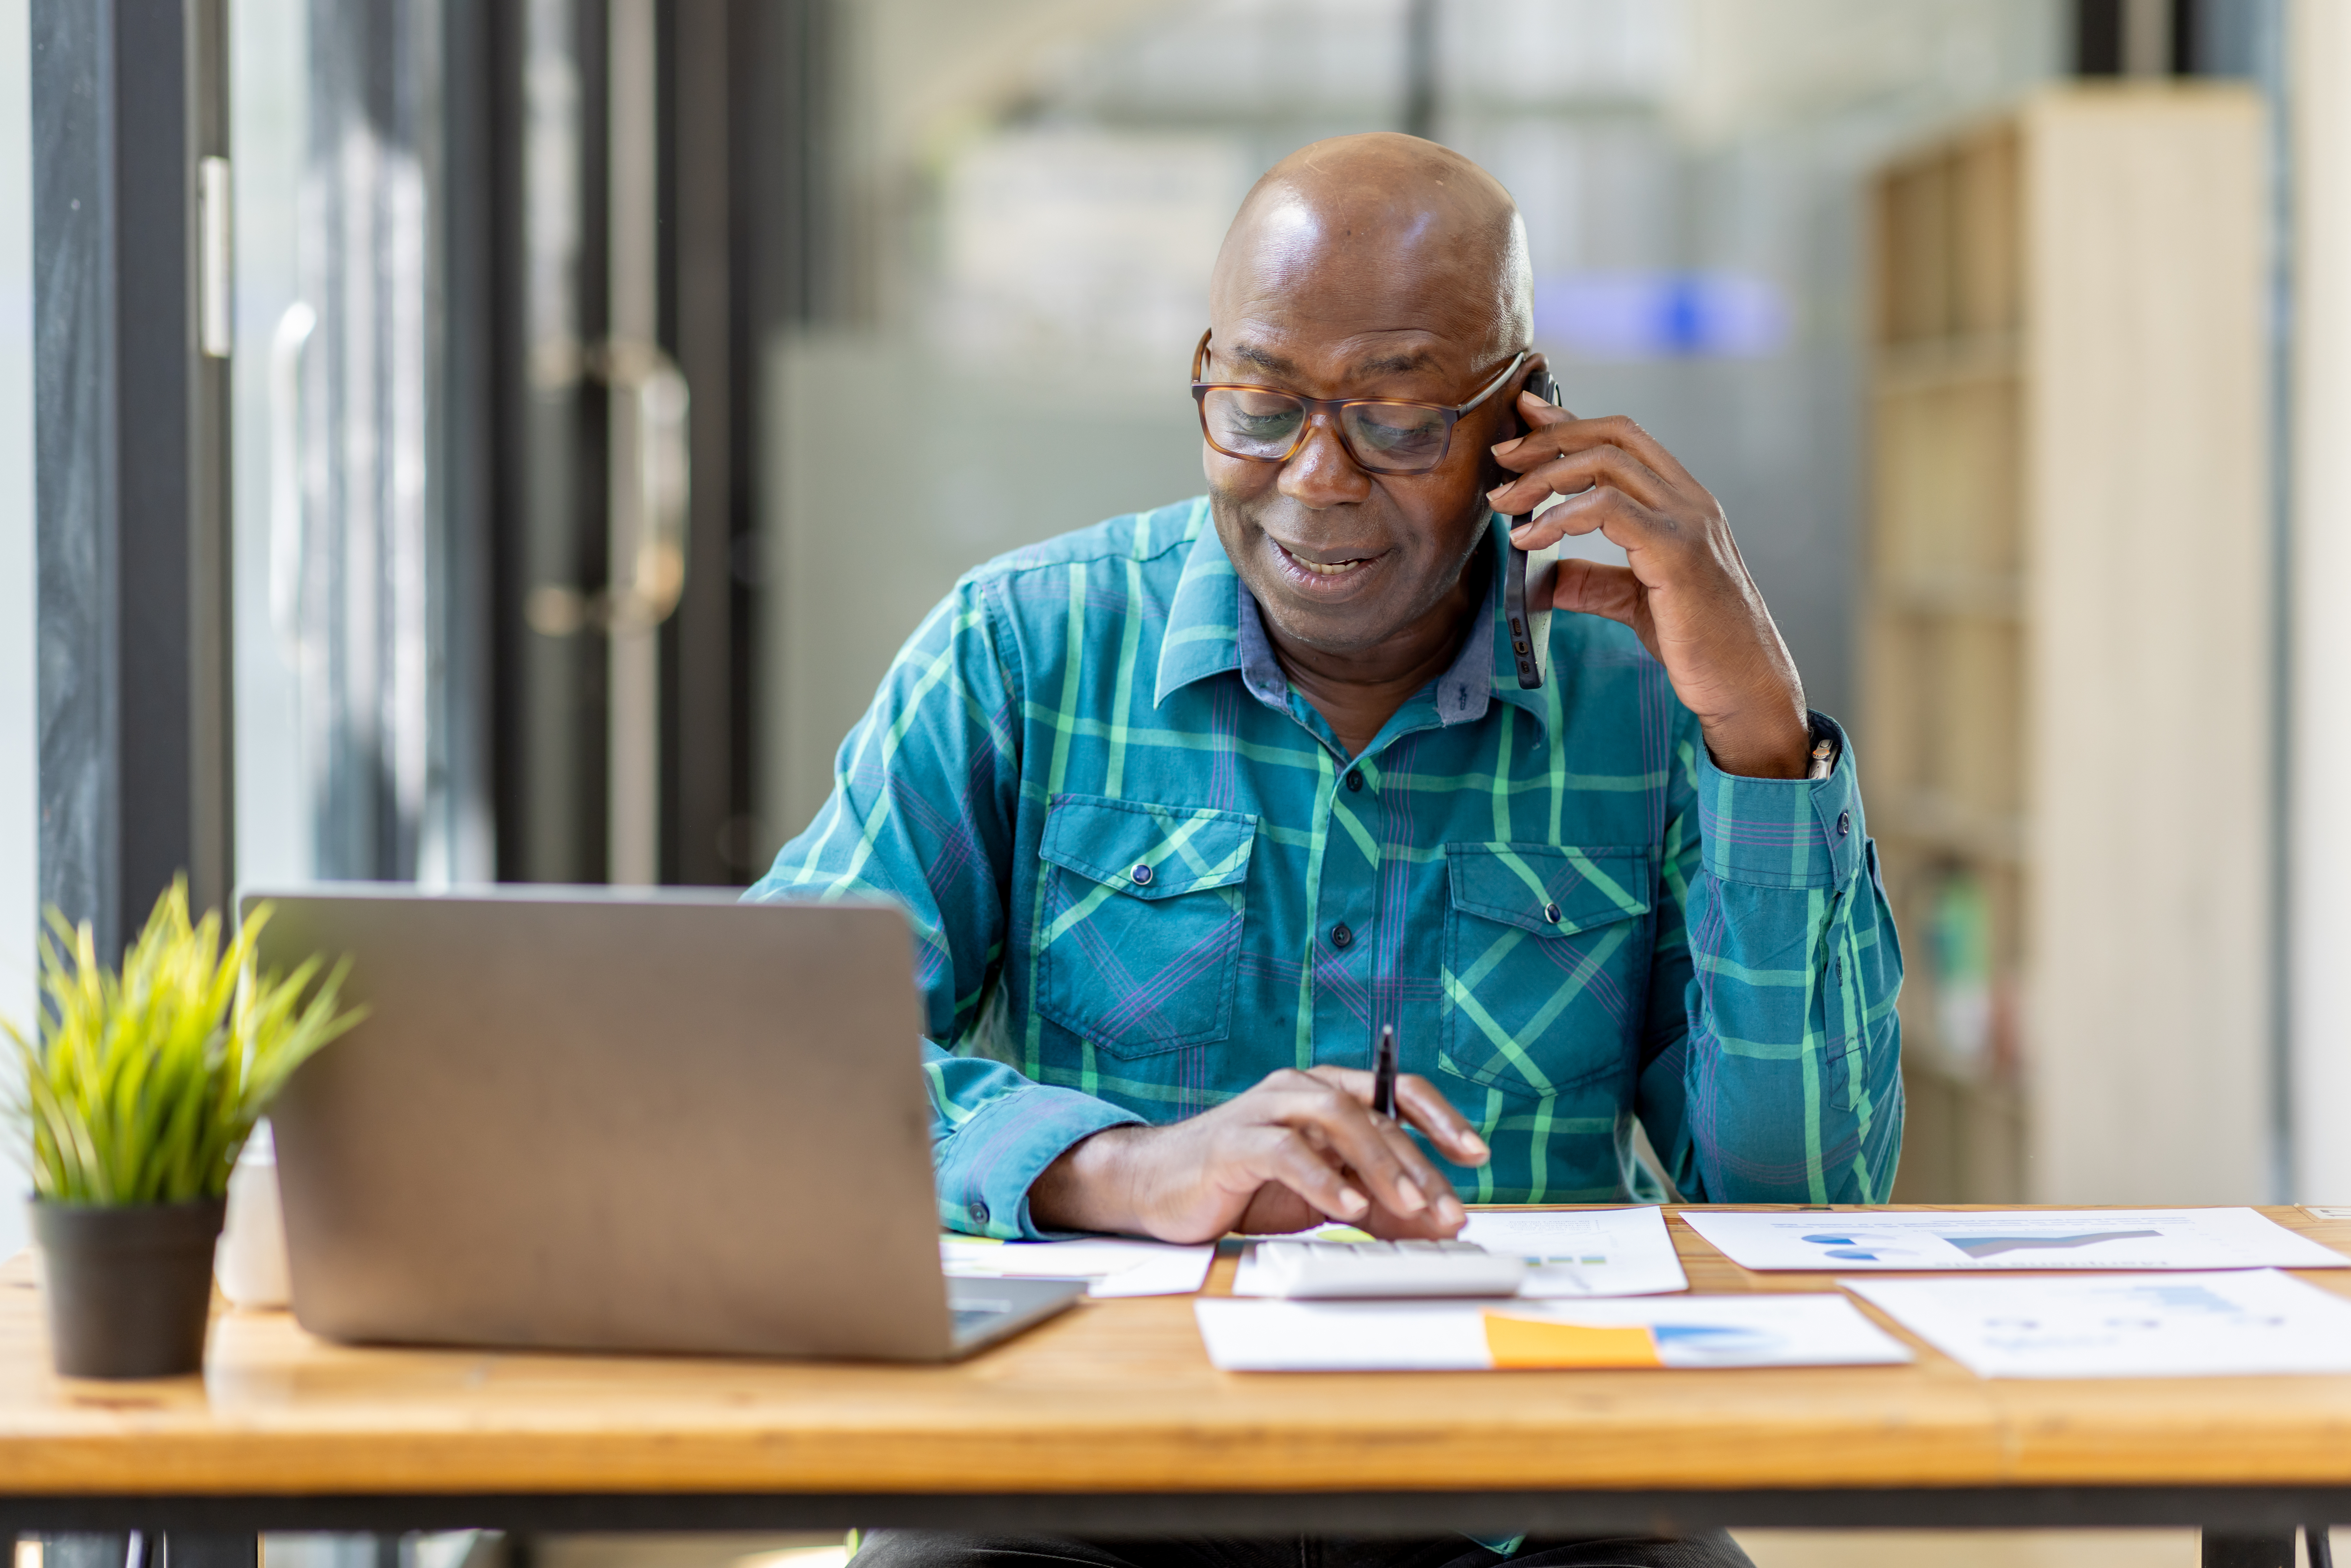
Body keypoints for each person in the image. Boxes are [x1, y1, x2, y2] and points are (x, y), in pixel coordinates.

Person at [749, 133, 1901, 1568]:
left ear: (1522, 418)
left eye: (1399, 418)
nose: (1315, 475)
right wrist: (1115, 1166)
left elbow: (1798, 1206)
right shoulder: (1022, 650)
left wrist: (1756, 733)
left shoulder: (1650, 702)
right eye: (1260, 402)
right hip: (1081, 1488)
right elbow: (774, 1065)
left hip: (1533, 1498)